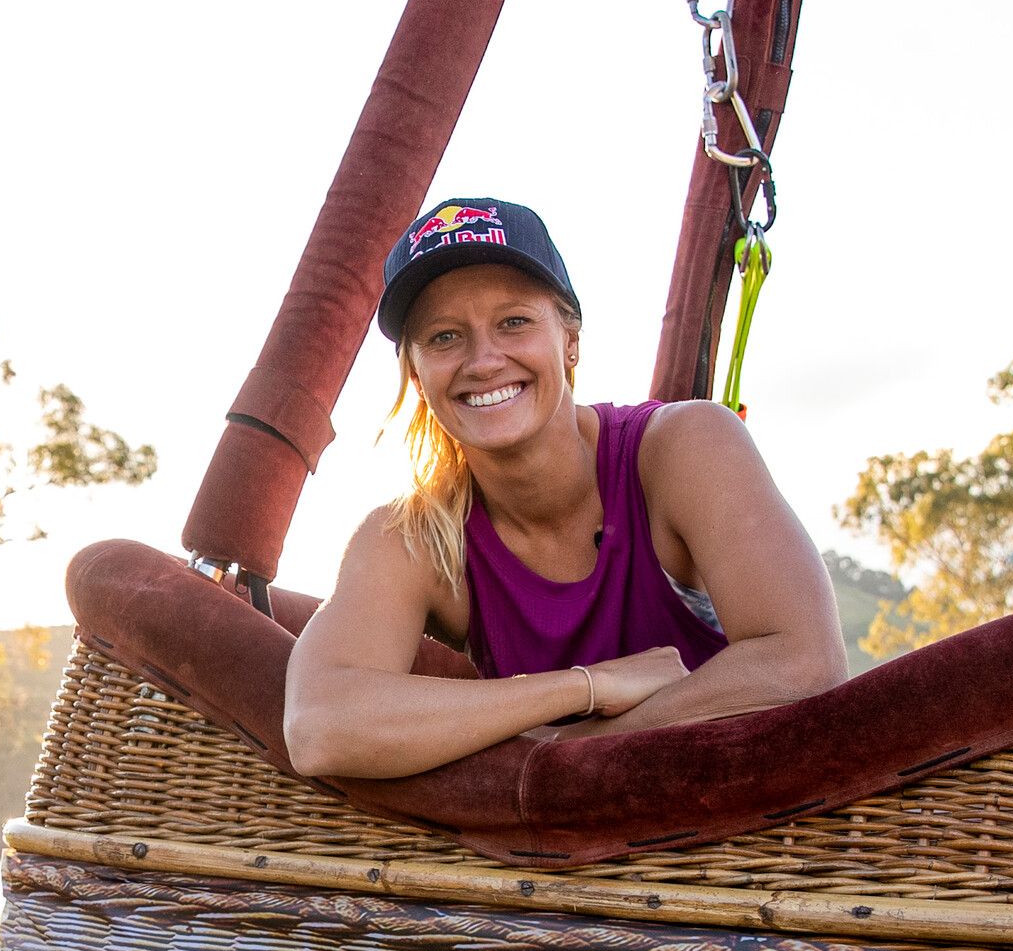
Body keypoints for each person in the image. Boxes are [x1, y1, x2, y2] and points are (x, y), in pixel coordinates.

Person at [284, 197, 847, 781]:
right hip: (558, 863)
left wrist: (558, 745)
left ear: (569, 339)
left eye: (514, 322)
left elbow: (805, 664)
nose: (483, 360)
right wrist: (587, 688)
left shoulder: (684, 447)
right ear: (417, 374)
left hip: (747, 830)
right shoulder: (415, 536)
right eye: (445, 337)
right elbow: (320, 725)